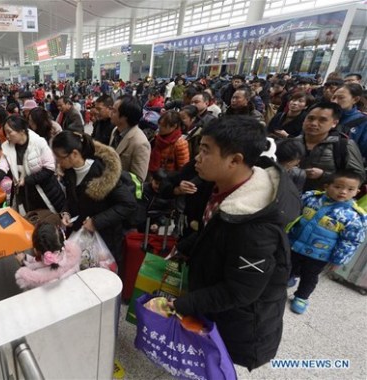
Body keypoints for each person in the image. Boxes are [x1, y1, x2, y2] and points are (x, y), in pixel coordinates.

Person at [168, 115, 301, 370]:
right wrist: (185, 247)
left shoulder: (255, 228)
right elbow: (215, 232)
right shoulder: (224, 185)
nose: (197, 158)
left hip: (238, 321)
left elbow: (240, 291)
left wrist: (183, 304)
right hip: (214, 299)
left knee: (218, 366)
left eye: (206, 151)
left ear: (235, 160)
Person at [287, 170, 367, 314]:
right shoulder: (311, 198)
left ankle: (301, 297)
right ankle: (288, 278)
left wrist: (338, 260)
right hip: (294, 243)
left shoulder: (354, 217)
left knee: (309, 276)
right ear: (326, 186)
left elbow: (350, 241)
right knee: (288, 265)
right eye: (338, 187)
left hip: (319, 255)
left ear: (357, 192)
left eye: (350, 189)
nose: (343, 192)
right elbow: (293, 214)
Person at [52, 131, 137, 264]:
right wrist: (66, 212)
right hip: (82, 236)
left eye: (60, 157)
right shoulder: (70, 171)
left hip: (106, 238)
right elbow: (72, 199)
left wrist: (96, 222)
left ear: (74, 154)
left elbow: (128, 204)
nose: (58, 161)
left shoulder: (103, 173)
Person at [0, 116, 65, 214]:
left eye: (9, 132)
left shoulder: (39, 143)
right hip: (26, 195)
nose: (7, 136)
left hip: (47, 192)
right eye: (5, 133)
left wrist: (26, 180)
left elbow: (49, 169)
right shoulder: (7, 147)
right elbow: (1, 169)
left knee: (52, 219)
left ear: (22, 131)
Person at [294, 102, 364, 191]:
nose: (314, 123)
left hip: (327, 200)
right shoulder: (293, 143)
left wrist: (324, 175)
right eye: (310, 118)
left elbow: (358, 177)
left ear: (334, 123)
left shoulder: (343, 145)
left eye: (322, 120)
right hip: (292, 198)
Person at [15, 222, 81, 290]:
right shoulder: (72, 256)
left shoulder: (33, 279)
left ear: (35, 250)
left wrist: (23, 263)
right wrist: (26, 259)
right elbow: (42, 264)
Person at [109, 95, 151, 183]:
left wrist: (114, 172)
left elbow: (138, 179)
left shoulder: (140, 143)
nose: (110, 113)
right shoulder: (115, 130)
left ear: (125, 117)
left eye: (114, 111)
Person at [331, 83, 367, 162]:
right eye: (333, 97)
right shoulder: (325, 115)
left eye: (341, 98)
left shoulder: (363, 122)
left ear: (355, 99)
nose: (335, 101)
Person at [148, 110, 189, 176]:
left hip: (168, 178)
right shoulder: (157, 137)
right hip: (154, 174)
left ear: (174, 126)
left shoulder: (180, 143)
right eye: (160, 124)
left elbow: (183, 168)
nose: (160, 128)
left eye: (164, 126)